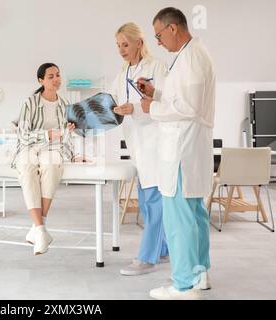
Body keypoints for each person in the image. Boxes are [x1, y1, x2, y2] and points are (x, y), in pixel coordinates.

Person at [139, 7, 215, 299]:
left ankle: (182, 285)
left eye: (158, 35)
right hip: (187, 149)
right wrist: (156, 93)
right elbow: (180, 97)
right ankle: (199, 274)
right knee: (194, 215)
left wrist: (152, 108)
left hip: (182, 151)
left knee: (180, 220)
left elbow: (189, 107)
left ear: (173, 28)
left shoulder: (193, 57)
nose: (157, 42)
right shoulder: (188, 55)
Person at [110, 22, 169, 276]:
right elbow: (110, 99)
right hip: (137, 144)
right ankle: (163, 250)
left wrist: (134, 108)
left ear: (139, 43)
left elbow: (164, 100)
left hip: (155, 142)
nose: (122, 50)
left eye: (125, 44)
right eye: (118, 45)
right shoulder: (123, 72)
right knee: (147, 202)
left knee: (154, 201)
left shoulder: (157, 66)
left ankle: (147, 258)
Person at [11, 63, 75, 255]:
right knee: (27, 167)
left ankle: (38, 229)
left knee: (51, 165)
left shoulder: (65, 105)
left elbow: (66, 135)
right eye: (50, 76)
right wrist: (48, 135)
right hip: (29, 146)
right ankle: (41, 229)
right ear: (41, 80)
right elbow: (22, 134)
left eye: (58, 75)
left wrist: (66, 133)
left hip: (56, 148)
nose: (56, 79)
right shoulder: (30, 102)